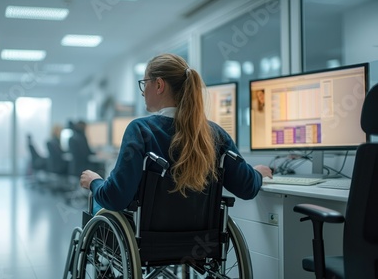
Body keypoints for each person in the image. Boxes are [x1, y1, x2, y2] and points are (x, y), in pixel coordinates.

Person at [80, 53, 272, 213]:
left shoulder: (140, 130)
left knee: (98, 202)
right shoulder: (215, 134)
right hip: (200, 242)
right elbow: (247, 188)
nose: (142, 91)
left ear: (158, 85)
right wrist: (257, 174)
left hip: (147, 243)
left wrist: (95, 182)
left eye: (144, 83)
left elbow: (115, 198)